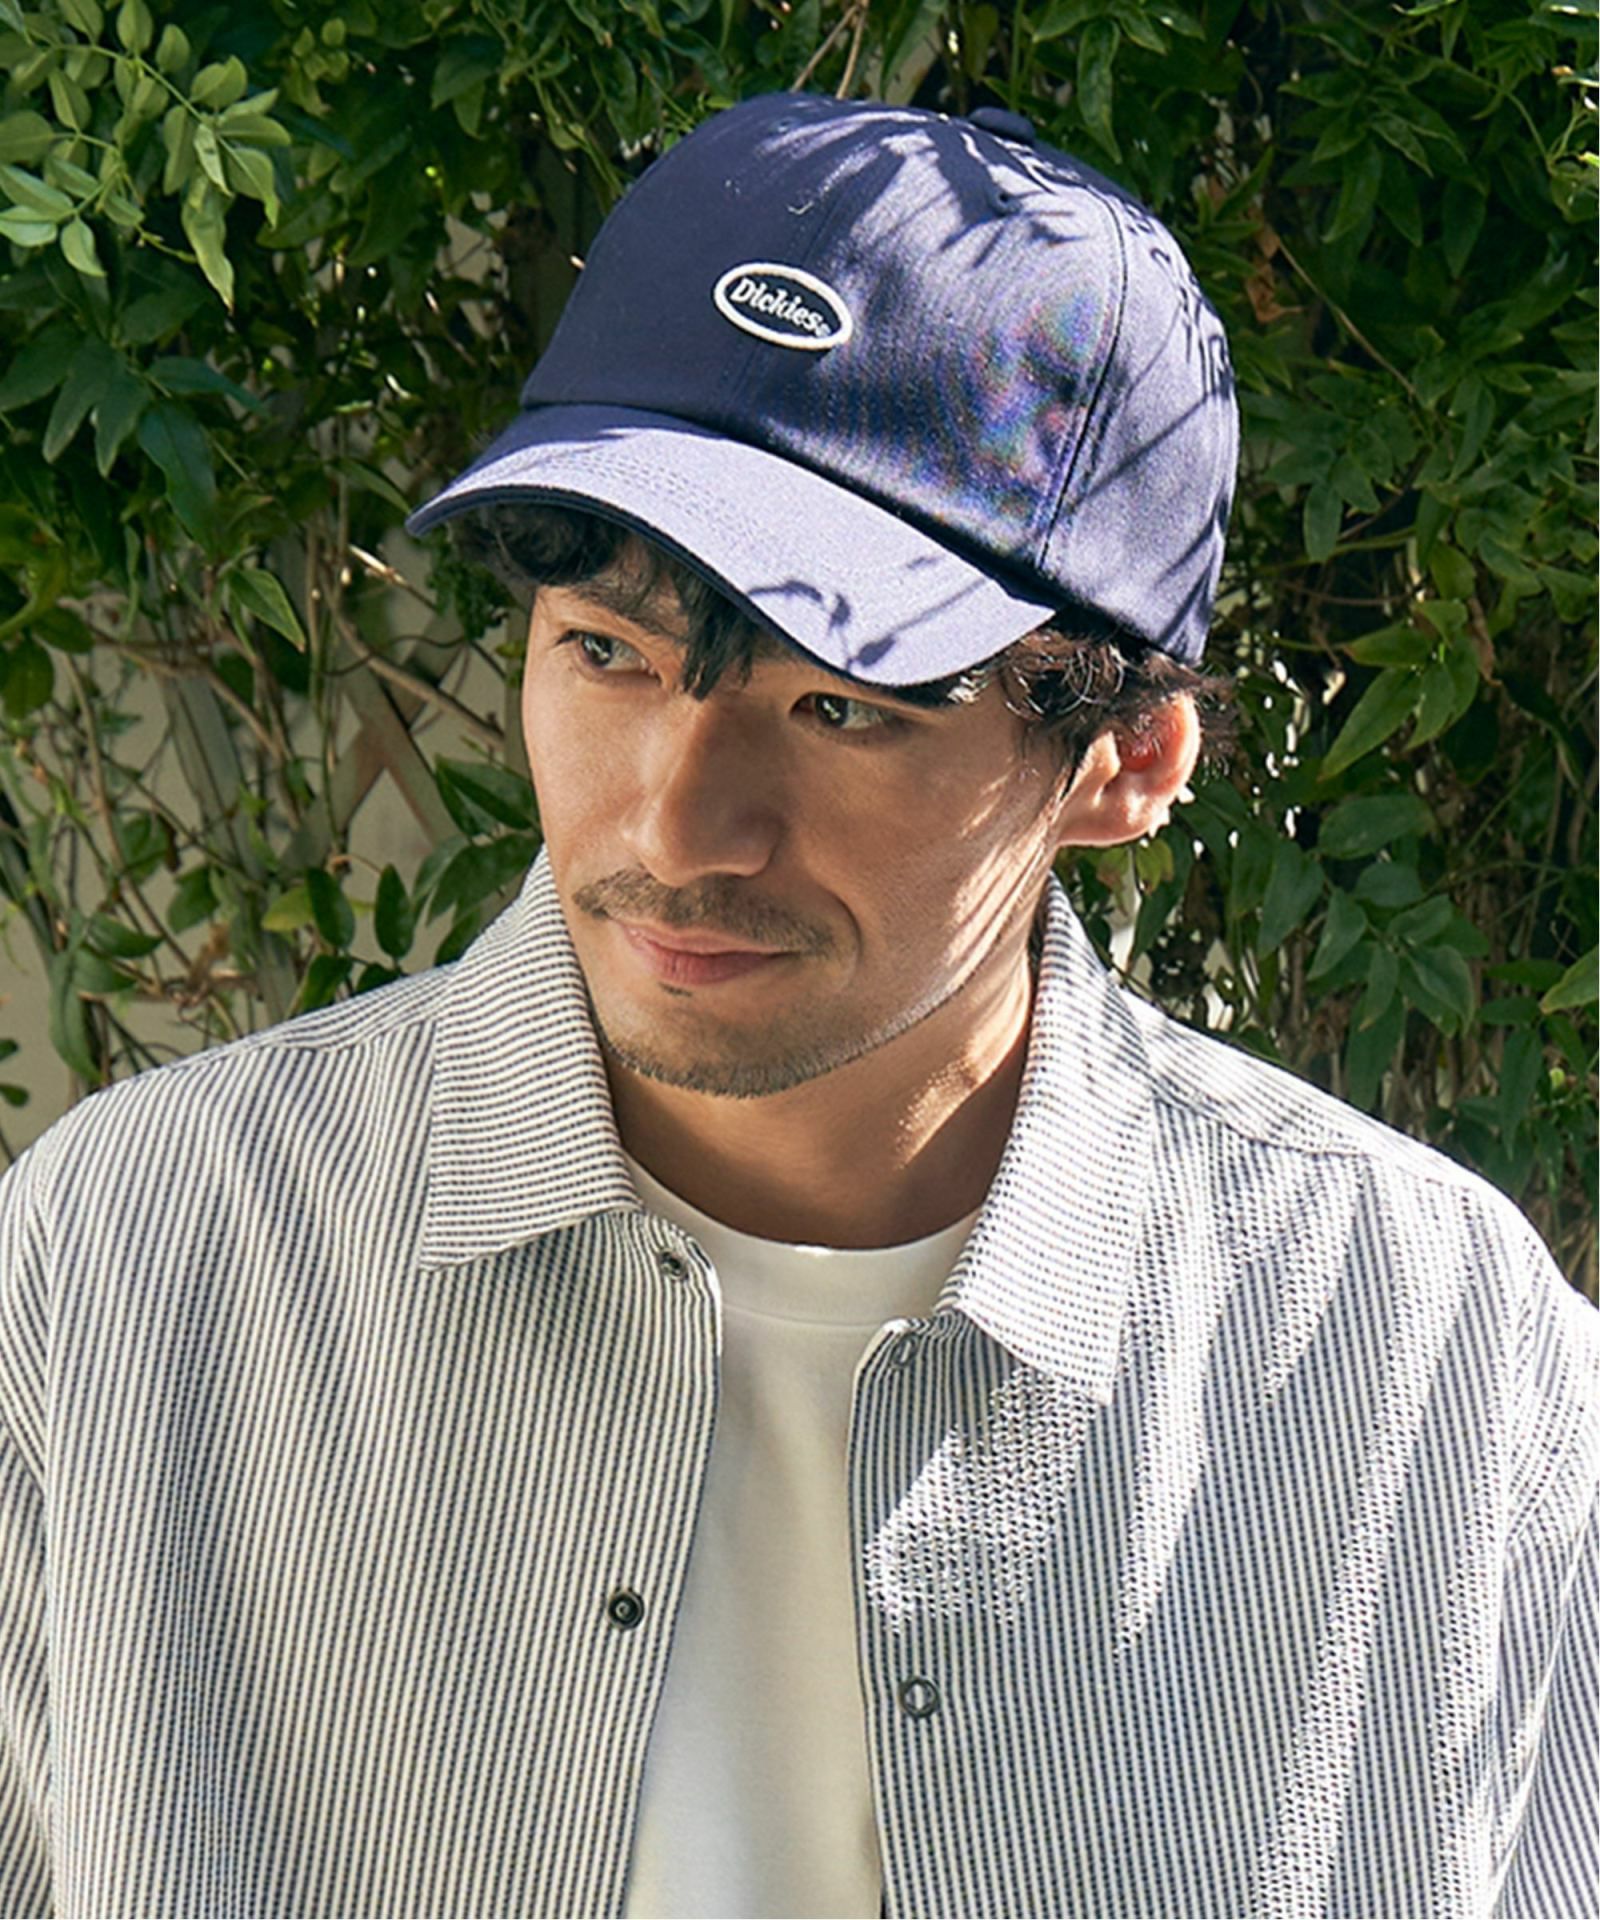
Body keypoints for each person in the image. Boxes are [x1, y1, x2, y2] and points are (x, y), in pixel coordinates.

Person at [0, 91, 1593, 1920]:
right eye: (607, 653)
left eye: (842, 707)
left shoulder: (1425, 1356)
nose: (679, 828)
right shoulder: (132, 1265)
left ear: (1128, 760)